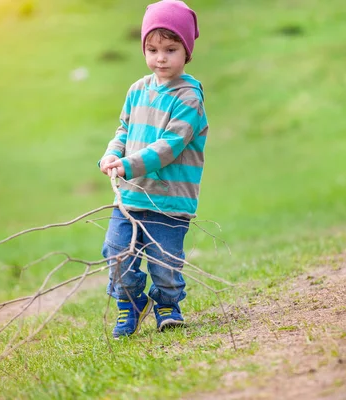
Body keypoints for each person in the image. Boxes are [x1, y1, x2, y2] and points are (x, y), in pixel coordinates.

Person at [98, 0, 208, 339]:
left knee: (164, 263)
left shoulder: (189, 97)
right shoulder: (137, 90)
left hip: (169, 200)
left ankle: (167, 305)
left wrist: (128, 164)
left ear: (186, 51)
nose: (161, 57)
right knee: (117, 253)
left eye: (171, 49)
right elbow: (123, 131)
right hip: (130, 197)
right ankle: (130, 304)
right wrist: (111, 155)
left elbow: (169, 147)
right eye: (153, 48)